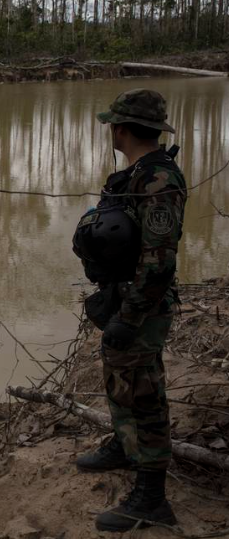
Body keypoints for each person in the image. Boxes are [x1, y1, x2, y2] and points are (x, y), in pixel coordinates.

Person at [72, 89, 187, 533]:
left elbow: (160, 261)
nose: (110, 131)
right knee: (122, 382)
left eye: (112, 125)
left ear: (121, 129)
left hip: (142, 307)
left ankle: (151, 497)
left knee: (144, 395)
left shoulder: (159, 180)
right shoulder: (136, 173)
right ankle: (124, 444)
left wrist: (131, 317)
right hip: (123, 297)